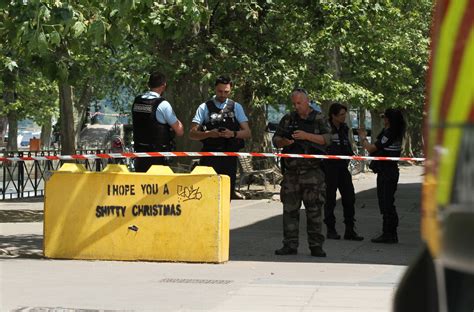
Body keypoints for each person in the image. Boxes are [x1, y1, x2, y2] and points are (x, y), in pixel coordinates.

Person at [273, 89, 331, 257]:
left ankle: (316, 245)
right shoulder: (289, 119)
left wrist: (306, 136)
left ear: (308, 102)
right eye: (294, 103)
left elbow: (327, 139)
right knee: (290, 210)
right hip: (292, 173)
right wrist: (284, 141)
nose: (296, 106)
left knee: (314, 210)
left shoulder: (319, 118)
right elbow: (276, 140)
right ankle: (290, 244)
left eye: (299, 103)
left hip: (313, 172)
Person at [189, 76, 251, 199]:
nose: (223, 94)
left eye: (226, 92)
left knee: (227, 196)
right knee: (207, 195)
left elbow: (248, 132)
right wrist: (209, 134)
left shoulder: (236, 107)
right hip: (209, 157)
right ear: (215, 89)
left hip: (229, 157)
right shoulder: (204, 107)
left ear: (231, 90)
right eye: (220, 91)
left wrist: (232, 134)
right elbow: (192, 133)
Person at [358, 108, 405, 243]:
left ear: (389, 119)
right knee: (386, 202)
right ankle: (389, 232)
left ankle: (389, 233)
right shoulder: (392, 132)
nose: (383, 119)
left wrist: (362, 137)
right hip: (387, 171)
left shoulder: (390, 133)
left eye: (385, 117)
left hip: (387, 172)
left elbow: (372, 148)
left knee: (386, 203)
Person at [324, 103, 364, 241]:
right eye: (341, 114)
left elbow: (347, 146)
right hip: (329, 168)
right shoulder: (326, 128)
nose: (344, 117)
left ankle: (350, 230)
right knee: (330, 199)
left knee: (349, 198)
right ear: (333, 115)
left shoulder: (345, 128)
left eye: (344, 114)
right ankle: (331, 229)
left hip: (342, 168)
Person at [132, 71, 184, 172]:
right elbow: (180, 131)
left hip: (139, 156)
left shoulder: (137, 101)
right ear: (163, 86)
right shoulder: (163, 104)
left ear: (148, 85)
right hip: (157, 158)